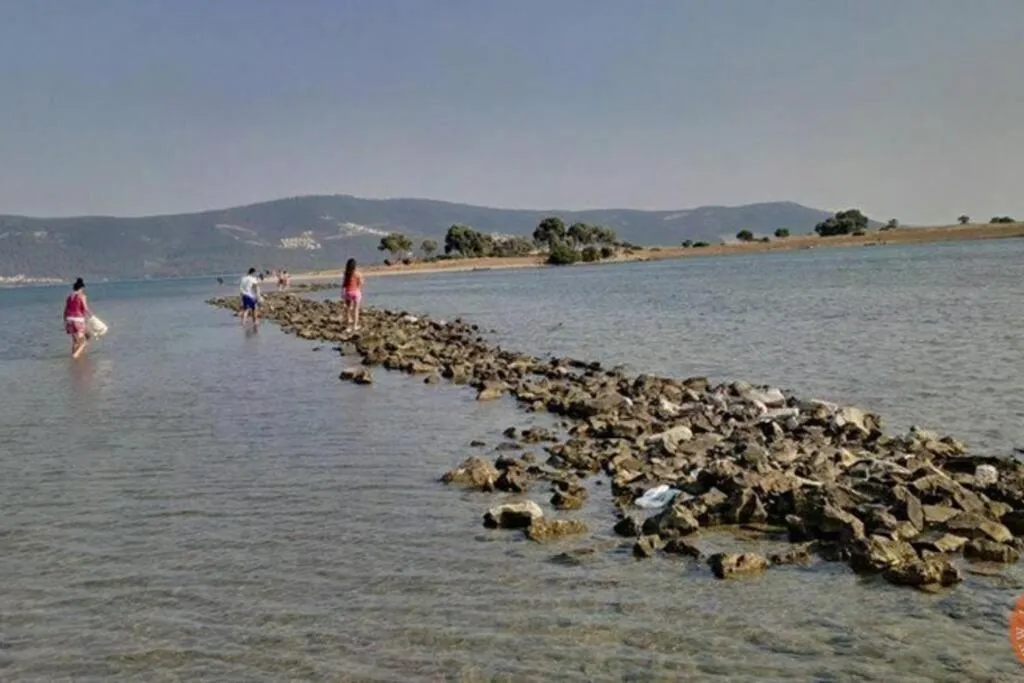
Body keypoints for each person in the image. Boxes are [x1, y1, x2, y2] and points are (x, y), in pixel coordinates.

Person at [63, 277, 93, 359]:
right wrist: (93, 317)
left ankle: (75, 361)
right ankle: (76, 355)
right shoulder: (82, 296)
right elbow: (85, 308)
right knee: (88, 336)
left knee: (75, 341)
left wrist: (65, 322)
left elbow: (65, 310)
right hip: (78, 320)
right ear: (82, 288)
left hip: (69, 320)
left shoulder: (69, 297)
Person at [342, 258, 364, 331]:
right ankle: (355, 326)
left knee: (348, 310)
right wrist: (358, 288)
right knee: (356, 310)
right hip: (356, 292)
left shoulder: (346, 273)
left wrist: (342, 294)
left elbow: (344, 284)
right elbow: (361, 283)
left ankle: (348, 327)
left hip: (348, 292)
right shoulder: (358, 274)